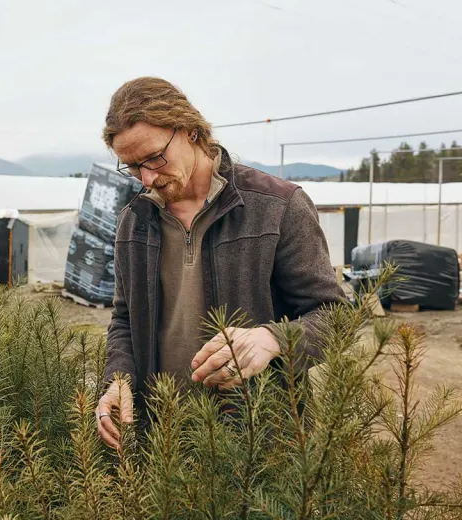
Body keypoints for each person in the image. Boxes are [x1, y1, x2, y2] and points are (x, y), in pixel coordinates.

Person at [96, 77, 344, 450]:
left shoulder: (277, 207)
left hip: (257, 443)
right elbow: (124, 320)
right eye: (132, 167)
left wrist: (273, 340)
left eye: (154, 158)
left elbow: (335, 316)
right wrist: (118, 381)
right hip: (161, 443)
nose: (147, 178)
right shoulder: (133, 220)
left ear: (192, 131)